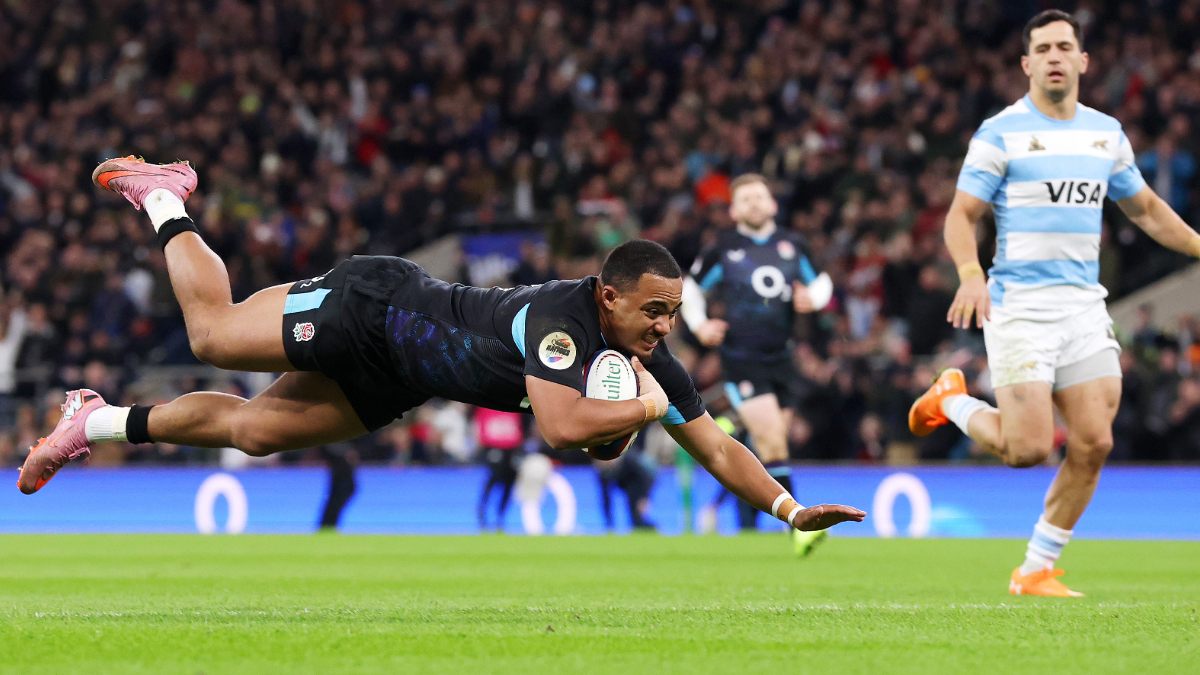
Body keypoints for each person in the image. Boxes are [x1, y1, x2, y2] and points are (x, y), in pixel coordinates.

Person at [18, 156, 866, 539]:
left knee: (254, 432)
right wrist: (647, 404)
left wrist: (790, 509)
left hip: (398, 377)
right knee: (211, 332)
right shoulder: (562, 323)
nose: (664, 327)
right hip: (373, 307)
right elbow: (565, 431)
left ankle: (89, 423)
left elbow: (715, 442)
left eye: (674, 313)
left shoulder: (646, 352)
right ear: (608, 294)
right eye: (653, 310)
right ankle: (166, 198)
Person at [908, 10, 1200, 597]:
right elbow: (962, 216)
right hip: (1020, 306)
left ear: (1084, 60)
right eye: (1043, 48)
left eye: (1065, 46)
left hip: (1084, 306)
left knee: (1095, 442)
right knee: (1029, 450)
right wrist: (970, 274)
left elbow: (1143, 209)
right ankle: (954, 402)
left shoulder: (1105, 134)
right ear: (1027, 63)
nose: (1055, 56)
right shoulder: (1001, 132)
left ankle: (1036, 568)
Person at [681, 173, 835, 556]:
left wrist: (813, 299)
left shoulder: (793, 245)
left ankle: (721, 496)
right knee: (773, 441)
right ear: (733, 210)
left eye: (759, 197)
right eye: (744, 199)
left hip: (782, 359)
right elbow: (691, 287)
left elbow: (822, 282)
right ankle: (800, 525)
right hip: (741, 359)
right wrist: (700, 325)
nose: (752, 203)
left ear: (773, 204)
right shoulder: (723, 247)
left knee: (772, 446)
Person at [474, 406, 525, 531]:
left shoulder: (514, 407)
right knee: (493, 479)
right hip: (493, 447)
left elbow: (519, 428)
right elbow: (479, 427)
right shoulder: (484, 407)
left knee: (509, 484)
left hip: (511, 449)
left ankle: (500, 516)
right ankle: (482, 510)